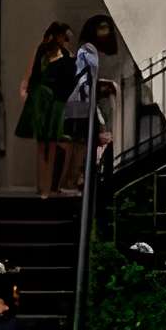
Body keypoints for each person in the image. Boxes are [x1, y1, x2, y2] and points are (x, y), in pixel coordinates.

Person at [63, 14, 125, 189]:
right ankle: (78, 178)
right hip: (90, 104)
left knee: (104, 142)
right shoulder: (87, 50)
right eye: (100, 28)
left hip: (109, 104)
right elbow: (83, 77)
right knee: (85, 142)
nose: (104, 32)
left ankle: (94, 177)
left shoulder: (113, 54)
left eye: (106, 28)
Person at [15, 23, 76, 196]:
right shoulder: (42, 51)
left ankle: (48, 188)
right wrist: (25, 90)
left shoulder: (67, 56)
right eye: (64, 37)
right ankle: (42, 187)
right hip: (41, 99)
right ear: (57, 36)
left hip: (56, 101)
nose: (66, 41)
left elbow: (69, 81)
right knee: (42, 144)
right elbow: (31, 73)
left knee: (52, 144)